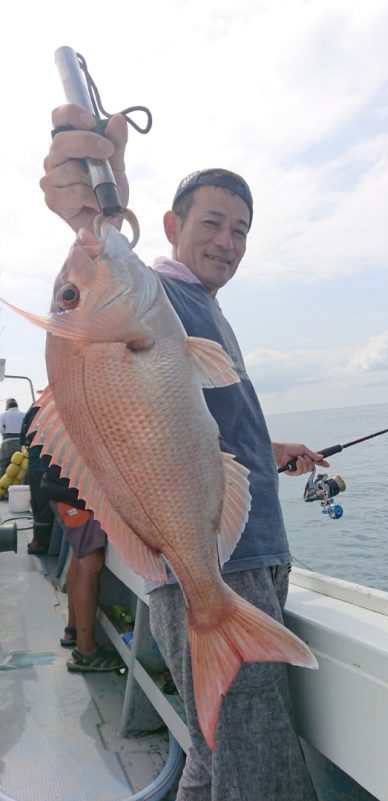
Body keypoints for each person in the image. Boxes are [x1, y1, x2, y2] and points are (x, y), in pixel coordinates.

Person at [41, 105, 330, 801]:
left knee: (213, 755)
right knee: (253, 763)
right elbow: (101, 251)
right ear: (169, 228)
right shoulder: (160, 294)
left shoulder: (201, 305)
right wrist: (96, 201)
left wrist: (273, 448)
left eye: (240, 231)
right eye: (212, 223)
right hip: (214, 567)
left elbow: (197, 421)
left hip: (237, 553)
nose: (228, 241)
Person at [41, 464, 125, 672]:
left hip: (63, 487)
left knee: (79, 556)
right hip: (73, 492)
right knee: (91, 561)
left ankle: (73, 630)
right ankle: (85, 652)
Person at [20, 402, 55, 555]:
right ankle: (39, 542)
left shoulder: (34, 409)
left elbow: (24, 439)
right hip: (50, 465)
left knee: (38, 505)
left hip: (36, 464)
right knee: (44, 506)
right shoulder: (57, 406)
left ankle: (39, 541)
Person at [0, 398, 25, 475]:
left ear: (7, 406)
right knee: (21, 466)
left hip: (7, 442)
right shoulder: (23, 414)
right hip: (21, 443)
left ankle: (3, 485)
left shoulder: (2, 415)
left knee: (5, 464)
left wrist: (5, 433)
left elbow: (1, 429)